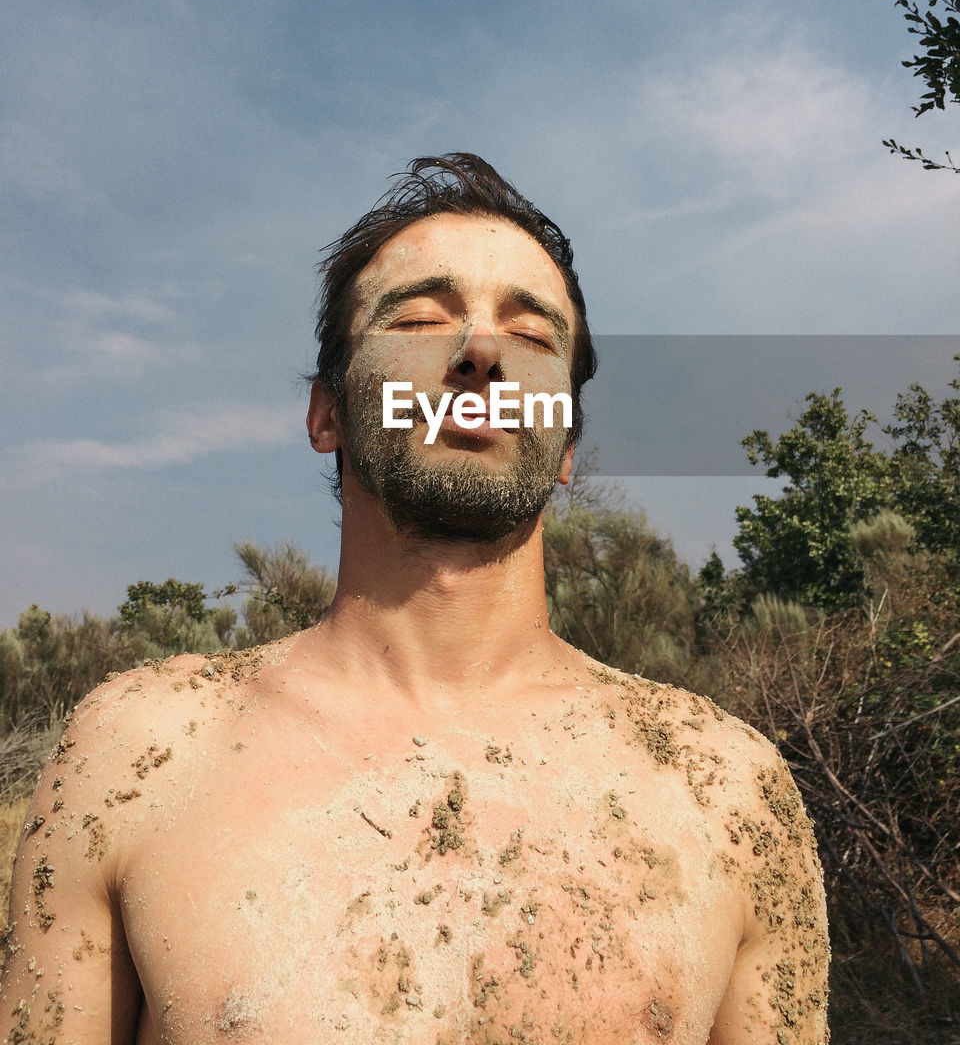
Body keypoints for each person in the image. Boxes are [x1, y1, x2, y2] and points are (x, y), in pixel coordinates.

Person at [1, 154, 829, 1044]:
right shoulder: (136, 758)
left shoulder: (729, 793)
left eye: (534, 336)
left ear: (565, 444)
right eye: (420, 319)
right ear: (329, 414)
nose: (480, 350)